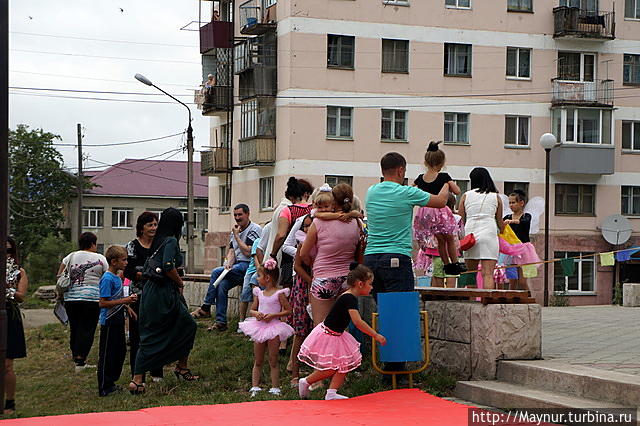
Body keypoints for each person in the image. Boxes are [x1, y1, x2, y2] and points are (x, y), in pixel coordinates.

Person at [130, 208, 199, 395]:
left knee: (151, 333)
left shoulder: (156, 241)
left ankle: (137, 380)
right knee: (188, 325)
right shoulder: (170, 241)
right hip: (163, 292)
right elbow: (168, 266)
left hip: (150, 291)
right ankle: (181, 366)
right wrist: (179, 281)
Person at [364, 152, 449, 299]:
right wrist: (446, 182)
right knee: (400, 309)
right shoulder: (407, 192)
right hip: (397, 256)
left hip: (371, 258)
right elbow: (441, 201)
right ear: (401, 170)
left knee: (381, 310)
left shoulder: (371, 191)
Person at [297, 264, 387, 400]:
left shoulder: (351, 297)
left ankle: (331, 392)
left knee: (343, 365)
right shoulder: (348, 298)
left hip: (337, 335)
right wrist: (375, 335)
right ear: (360, 284)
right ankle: (307, 381)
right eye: (370, 284)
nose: (372, 287)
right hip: (328, 335)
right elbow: (357, 322)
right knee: (332, 368)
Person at [191, 204, 261, 331]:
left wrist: (237, 236)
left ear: (247, 214)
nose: (237, 218)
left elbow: (248, 252)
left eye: (240, 214)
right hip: (237, 266)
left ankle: (206, 307)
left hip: (249, 266)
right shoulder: (235, 231)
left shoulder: (254, 229)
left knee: (215, 272)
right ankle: (221, 322)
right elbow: (231, 250)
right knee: (222, 285)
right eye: (235, 215)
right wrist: (228, 262)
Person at [300, 184, 361, 327]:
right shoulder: (356, 222)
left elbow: (303, 253)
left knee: (321, 326)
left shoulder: (319, 222)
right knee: (341, 327)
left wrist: (312, 264)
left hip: (324, 277)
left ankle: (321, 350)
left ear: (333, 200)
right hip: (347, 279)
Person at [238, 259, 293, 397]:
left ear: (267, 278)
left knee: (273, 359)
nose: (257, 278)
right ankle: (255, 386)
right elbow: (252, 310)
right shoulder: (259, 293)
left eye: (259, 276)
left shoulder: (279, 294)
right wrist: (257, 314)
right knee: (258, 359)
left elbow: (288, 310)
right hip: (259, 327)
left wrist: (274, 315)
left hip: (273, 327)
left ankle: (275, 386)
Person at [413, 141, 465, 275]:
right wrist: (448, 185)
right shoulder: (443, 177)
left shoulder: (420, 178)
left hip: (426, 212)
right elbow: (457, 190)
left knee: (440, 240)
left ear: (425, 162)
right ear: (441, 163)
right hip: (440, 211)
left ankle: (446, 264)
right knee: (448, 238)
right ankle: (454, 263)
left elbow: (411, 189)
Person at [123, 211, 164, 383]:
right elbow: (127, 270)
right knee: (137, 336)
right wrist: (144, 275)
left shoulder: (160, 245)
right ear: (141, 227)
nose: (153, 228)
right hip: (138, 296)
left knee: (157, 333)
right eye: (150, 225)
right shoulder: (132, 246)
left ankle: (157, 372)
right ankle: (138, 374)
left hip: (157, 295)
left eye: (155, 225)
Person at [58, 232, 108, 372]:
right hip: (91, 298)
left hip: (71, 298)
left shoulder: (70, 256)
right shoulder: (100, 258)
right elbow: (107, 276)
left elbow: (60, 274)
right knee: (87, 328)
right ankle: (81, 360)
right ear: (93, 244)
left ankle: (76, 355)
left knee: (75, 327)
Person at [97, 245, 138, 397]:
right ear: (114, 262)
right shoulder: (107, 278)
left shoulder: (117, 278)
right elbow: (103, 302)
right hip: (109, 321)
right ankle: (104, 386)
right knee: (107, 354)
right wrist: (125, 300)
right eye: (124, 260)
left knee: (119, 352)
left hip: (118, 320)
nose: (126, 262)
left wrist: (127, 307)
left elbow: (116, 299)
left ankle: (112, 382)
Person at [458, 167, 505, 290]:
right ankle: (487, 304)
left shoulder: (466, 196)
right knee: (488, 274)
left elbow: (460, 220)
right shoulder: (496, 197)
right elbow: (500, 223)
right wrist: (505, 227)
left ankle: (471, 305)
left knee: (471, 274)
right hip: (489, 233)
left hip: (470, 235)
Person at [269, 177, 314, 287]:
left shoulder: (287, 211)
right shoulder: (314, 210)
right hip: (312, 255)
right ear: (306, 194)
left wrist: (273, 254)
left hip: (290, 258)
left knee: (289, 293)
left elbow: (281, 235)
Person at [4, 237, 28, 415]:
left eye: (9, 251)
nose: (7, 255)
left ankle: (9, 403)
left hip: (9, 316)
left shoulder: (19, 272)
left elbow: (21, 295)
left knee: (7, 364)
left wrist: (7, 290)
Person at [503, 189, 532, 290]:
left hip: (523, 250)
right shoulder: (506, 217)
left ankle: (529, 300)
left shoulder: (526, 216)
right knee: (512, 281)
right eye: (510, 203)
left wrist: (510, 222)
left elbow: (524, 222)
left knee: (522, 282)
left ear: (521, 203)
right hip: (511, 251)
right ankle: (512, 301)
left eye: (513, 202)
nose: (511, 205)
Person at [237, 232, 262, 329]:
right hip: (252, 270)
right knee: (245, 295)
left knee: (257, 297)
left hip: (261, 271)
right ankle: (241, 321)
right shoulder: (258, 241)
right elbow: (255, 257)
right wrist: (259, 271)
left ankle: (254, 322)